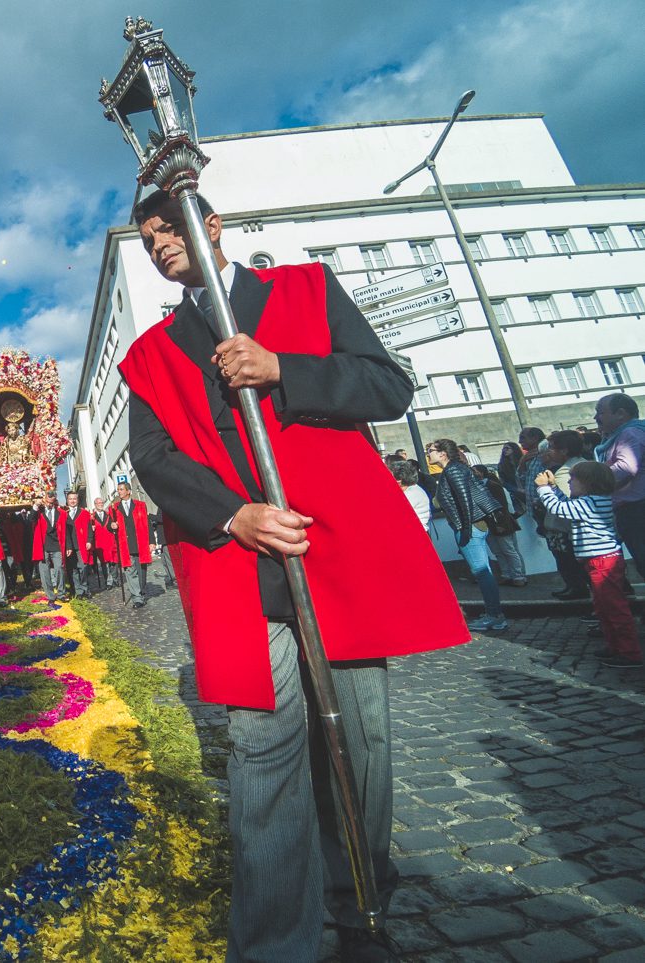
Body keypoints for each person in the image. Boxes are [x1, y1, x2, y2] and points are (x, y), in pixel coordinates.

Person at [122, 189, 467, 962]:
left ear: (210, 226)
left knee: (361, 740)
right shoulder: (150, 353)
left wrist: (285, 368)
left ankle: (360, 903)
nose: (159, 244)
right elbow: (153, 458)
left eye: (168, 227)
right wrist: (232, 515)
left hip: (335, 554)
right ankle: (279, 942)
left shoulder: (303, 291)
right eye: (147, 239)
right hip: (244, 571)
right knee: (263, 748)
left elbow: (387, 383)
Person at [536, 461, 642, 668]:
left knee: (613, 608)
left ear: (588, 483)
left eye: (573, 478)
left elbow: (559, 509)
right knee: (603, 607)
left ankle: (630, 652)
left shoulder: (589, 503)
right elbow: (567, 505)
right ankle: (615, 646)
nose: (569, 480)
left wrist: (543, 488)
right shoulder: (594, 500)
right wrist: (555, 488)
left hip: (602, 562)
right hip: (600, 560)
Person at [428, 438, 509, 631]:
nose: (428, 453)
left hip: (469, 526)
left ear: (442, 453)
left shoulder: (453, 470)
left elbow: (464, 499)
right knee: (483, 571)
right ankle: (493, 613)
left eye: (430, 450)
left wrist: (464, 528)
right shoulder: (455, 468)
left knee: (481, 572)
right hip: (471, 525)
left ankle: (494, 615)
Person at [594, 392, 645, 581]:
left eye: (600, 412)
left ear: (621, 413)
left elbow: (626, 467)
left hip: (636, 509)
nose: (597, 417)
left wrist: (594, 477)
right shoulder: (631, 432)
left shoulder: (629, 433)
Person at [540, 431, 590, 600]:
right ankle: (574, 587)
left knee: (569, 562)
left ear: (564, 451)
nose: (549, 452)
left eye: (552, 448)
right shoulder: (580, 465)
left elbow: (566, 504)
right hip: (567, 528)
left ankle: (578, 589)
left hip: (564, 528)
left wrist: (545, 490)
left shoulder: (567, 472)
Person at [471, 464, 528, 587]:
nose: (474, 474)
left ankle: (519, 576)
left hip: (500, 523)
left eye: (475, 472)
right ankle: (506, 575)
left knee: (509, 550)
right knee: (497, 551)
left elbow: (502, 506)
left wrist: (501, 523)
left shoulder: (493, 486)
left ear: (482, 472)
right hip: (487, 524)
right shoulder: (476, 488)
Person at [110, 482, 152, 608]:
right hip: (125, 545)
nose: (119, 492)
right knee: (130, 571)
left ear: (128, 491)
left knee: (141, 571)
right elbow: (110, 524)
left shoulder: (140, 505)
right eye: (118, 490)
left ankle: (141, 591)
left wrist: (152, 542)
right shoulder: (114, 507)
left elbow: (148, 523)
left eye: (122, 489)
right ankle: (137, 598)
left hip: (140, 543)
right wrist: (112, 526)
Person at [24, 494, 68, 602]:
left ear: (55, 501)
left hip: (57, 545)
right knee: (44, 572)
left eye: (51, 502)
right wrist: (35, 506)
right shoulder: (39, 512)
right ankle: (50, 596)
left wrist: (68, 546)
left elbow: (66, 530)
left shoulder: (60, 512)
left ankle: (61, 593)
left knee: (59, 569)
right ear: (44, 501)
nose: (49, 504)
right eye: (47, 502)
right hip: (43, 546)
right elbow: (30, 520)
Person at [64, 492, 93, 598]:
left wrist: (89, 540)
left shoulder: (84, 513)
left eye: (74, 499)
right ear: (67, 500)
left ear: (77, 500)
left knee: (83, 567)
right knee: (73, 569)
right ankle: (78, 591)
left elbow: (89, 528)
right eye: (70, 499)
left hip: (81, 545)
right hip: (69, 547)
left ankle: (85, 588)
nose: (72, 501)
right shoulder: (64, 514)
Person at [390, 459, 430, 530]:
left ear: (399, 480)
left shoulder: (413, 493)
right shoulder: (411, 490)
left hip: (416, 534)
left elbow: (394, 514)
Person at [90, 496, 118, 590]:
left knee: (113, 561)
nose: (101, 504)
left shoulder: (108, 514)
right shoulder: (92, 517)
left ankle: (115, 579)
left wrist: (113, 526)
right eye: (98, 503)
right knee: (104, 563)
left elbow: (111, 525)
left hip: (109, 541)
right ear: (95, 505)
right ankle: (108, 581)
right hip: (99, 543)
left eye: (101, 502)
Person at [497, 442, 527, 514]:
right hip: (516, 494)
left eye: (507, 448)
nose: (504, 450)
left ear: (514, 449)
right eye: (503, 449)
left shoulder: (523, 461)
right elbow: (504, 482)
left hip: (529, 491)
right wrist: (518, 489)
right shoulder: (502, 465)